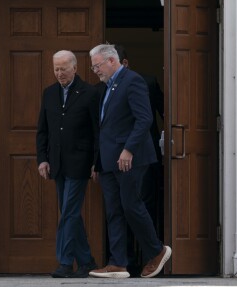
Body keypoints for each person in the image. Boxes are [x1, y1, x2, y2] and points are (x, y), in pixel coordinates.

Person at [88, 44, 171, 279]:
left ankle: (157, 251)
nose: (95, 70)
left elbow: (144, 119)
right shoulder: (109, 86)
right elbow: (106, 127)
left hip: (129, 159)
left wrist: (128, 150)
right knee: (114, 211)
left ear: (112, 61)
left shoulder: (132, 81)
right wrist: (98, 161)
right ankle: (118, 264)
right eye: (93, 66)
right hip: (108, 161)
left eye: (97, 65)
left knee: (131, 206)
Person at [36, 50, 99, 278]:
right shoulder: (49, 93)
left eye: (64, 68)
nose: (60, 73)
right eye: (56, 69)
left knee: (69, 212)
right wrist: (42, 158)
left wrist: (96, 162)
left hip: (80, 163)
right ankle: (87, 261)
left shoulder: (90, 93)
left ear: (75, 68)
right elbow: (43, 130)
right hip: (57, 163)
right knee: (70, 212)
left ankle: (64, 262)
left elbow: (97, 132)